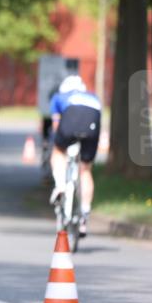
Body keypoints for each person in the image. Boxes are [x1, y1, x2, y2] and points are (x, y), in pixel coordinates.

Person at [49, 74, 102, 237]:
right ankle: (85, 211)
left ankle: (60, 186)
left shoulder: (59, 97)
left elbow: (56, 125)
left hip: (70, 121)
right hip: (92, 124)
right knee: (85, 169)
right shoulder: (93, 97)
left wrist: (58, 142)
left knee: (58, 152)